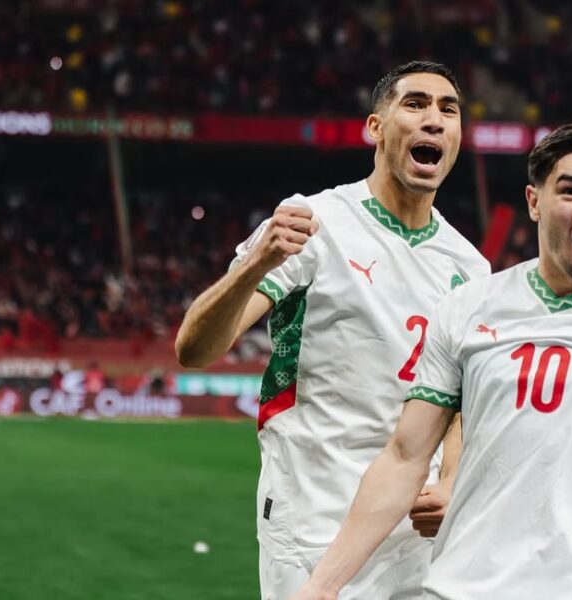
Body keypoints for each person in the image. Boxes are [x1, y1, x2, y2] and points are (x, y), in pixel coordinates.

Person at [292, 124, 572, 600]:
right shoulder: (468, 308)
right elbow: (405, 458)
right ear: (534, 201)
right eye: (571, 191)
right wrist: (321, 586)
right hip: (460, 588)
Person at [175, 61, 490, 599]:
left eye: (448, 109)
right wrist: (255, 265)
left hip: (414, 530)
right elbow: (195, 350)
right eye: (415, 104)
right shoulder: (312, 222)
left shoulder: (470, 267)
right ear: (376, 127)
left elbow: (457, 403)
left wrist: (450, 480)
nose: (434, 119)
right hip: (313, 516)